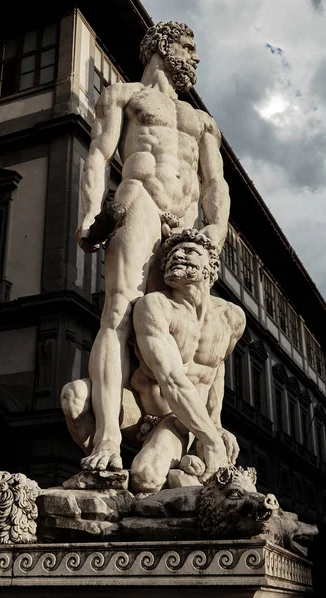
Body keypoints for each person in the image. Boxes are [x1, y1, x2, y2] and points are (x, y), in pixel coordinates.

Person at [76, 21, 231, 471]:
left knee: (185, 328)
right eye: (188, 47)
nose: (196, 58)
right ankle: (107, 435)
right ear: (161, 46)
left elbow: (215, 183)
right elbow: (99, 156)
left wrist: (216, 228)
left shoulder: (202, 122)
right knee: (120, 311)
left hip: (186, 224)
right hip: (138, 200)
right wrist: (89, 214)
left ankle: (173, 431)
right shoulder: (124, 95)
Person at [129, 229, 245, 491]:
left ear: (210, 266)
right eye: (171, 254)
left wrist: (215, 424)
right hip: (142, 410)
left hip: (185, 420)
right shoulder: (154, 305)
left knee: (145, 476)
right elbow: (171, 378)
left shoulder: (231, 317)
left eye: (190, 251)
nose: (177, 255)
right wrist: (212, 438)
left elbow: (216, 370)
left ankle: (180, 475)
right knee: (74, 396)